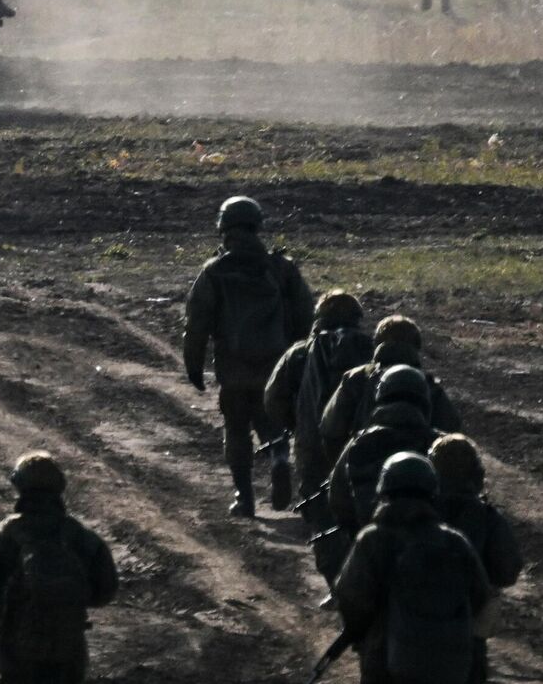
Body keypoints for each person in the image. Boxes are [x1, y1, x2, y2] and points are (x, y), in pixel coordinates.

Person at [183, 196, 316, 517]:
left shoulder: (214, 272)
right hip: (276, 364)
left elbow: (197, 324)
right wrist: (300, 361)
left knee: (237, 428)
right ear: (257, 225)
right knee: (273, 420)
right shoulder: (282, 268)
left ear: (222, 228)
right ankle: (280, 457)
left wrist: (194, 367)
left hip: (234, 367)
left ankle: (244, 497)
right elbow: (306, 317)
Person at [333, 452, 492, 684]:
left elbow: (352, 597)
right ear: (432, 492)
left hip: (385, 662)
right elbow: (480, 595)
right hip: (450, 663)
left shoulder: (372, 539)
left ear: (384, 491)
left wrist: (360, 633)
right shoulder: (454, 541)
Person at [0, 453, 120, 683]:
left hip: (17, 649)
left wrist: (0, 612)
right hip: (69, 649)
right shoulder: (79, 535)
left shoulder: (4, 535)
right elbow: (105, 591)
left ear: (20, 487)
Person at [264, 290, 373, 518]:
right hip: (359, 443)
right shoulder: (371, 352)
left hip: (312, 444)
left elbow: (273, 398)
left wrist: (297, 424)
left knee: (317, 512)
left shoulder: (300, 353)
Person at [430, 435, 523, 684]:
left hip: (412, 633)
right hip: (467, 635)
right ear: (476, 474)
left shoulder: (416, 512)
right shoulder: (486, 517)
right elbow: (508, 570)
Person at [325, 366, 446, 552]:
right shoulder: (440, 445)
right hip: (433, 548)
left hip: (372, 545)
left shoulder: (360, 442)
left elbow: (338, 499)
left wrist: (354, 531)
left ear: (380, 397)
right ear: (425, 400)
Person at [318, 316, 461, 470]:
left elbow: (331, 430)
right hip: (418, 476)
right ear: (416, 345)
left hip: (363, 472)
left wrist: (347, 466)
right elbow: (451, 433)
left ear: (377, 343)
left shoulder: (356, 379)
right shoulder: (427, 384)